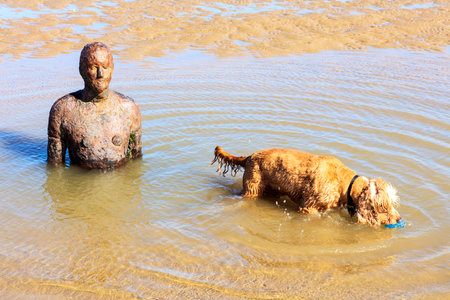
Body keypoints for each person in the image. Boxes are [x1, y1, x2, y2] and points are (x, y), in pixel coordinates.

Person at [47, 42, 142, 169]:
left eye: (105, 67)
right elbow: (54, 168)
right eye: (94, 67)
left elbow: (136, 164)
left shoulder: (129, 109)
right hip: (81, 186)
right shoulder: (63, 110)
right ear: (82, 70)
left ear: (112, 69)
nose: (100, 74)